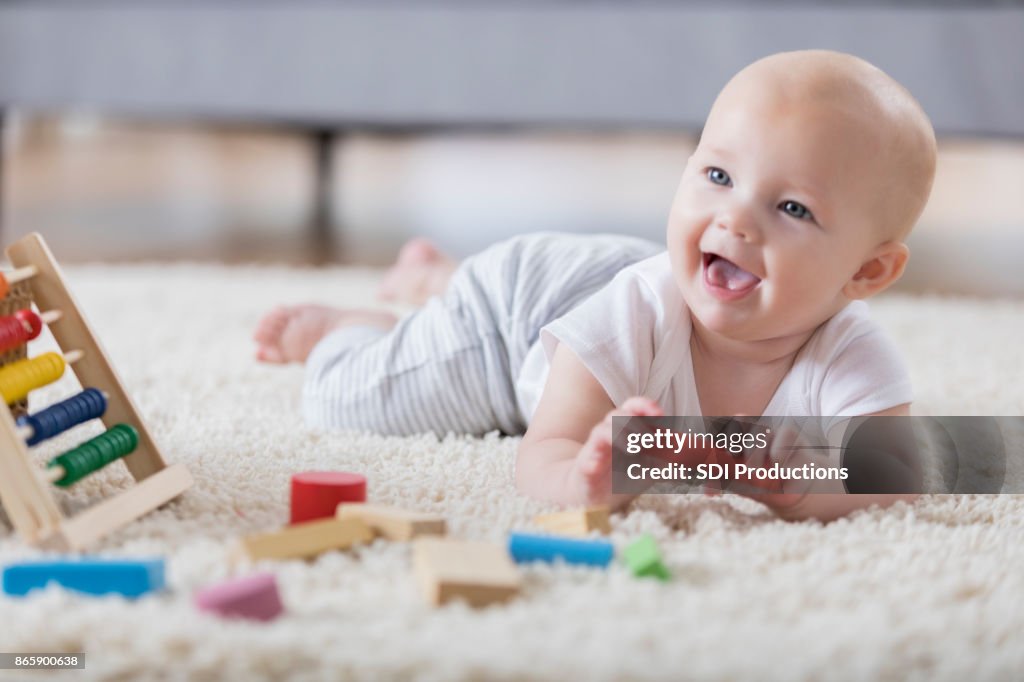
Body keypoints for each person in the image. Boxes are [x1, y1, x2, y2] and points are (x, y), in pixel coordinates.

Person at [253, 50, 937, 520]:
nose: (733, 219)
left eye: (792, 209)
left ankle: (437, 278)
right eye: (718, 177)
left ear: (866, 272)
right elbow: (540, 454)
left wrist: (803, 487)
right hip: (515, 318)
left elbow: (905, 478)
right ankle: (356, 325)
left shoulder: (850, 353)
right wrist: (589, 479)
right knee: (347, 401)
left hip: (612, 274)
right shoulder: (633, 313)